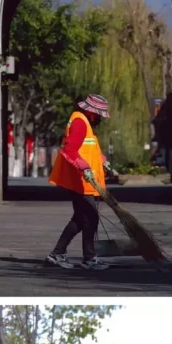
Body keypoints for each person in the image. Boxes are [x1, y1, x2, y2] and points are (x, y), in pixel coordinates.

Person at [47, 94, 117, 271]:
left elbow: (90, 149)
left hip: (82, 180)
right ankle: (86, 258)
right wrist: (84, 168)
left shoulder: (84, 122)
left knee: (81, 218)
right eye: (99, 114)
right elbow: (70, 150)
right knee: (90, 216)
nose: (100, 118)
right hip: (79, 180)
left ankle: (61, 254)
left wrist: (102, 160)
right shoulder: (80, 123)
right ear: (91, 112)